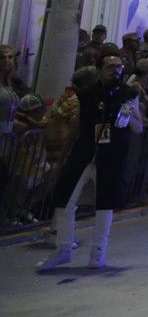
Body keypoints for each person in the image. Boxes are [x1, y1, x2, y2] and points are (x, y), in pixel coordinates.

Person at [37, 55, 136, 271]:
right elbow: (77, 125)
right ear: (100, 69)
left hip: (111, 155)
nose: (116, 70)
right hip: (85, 152)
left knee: (105, 204)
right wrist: (63, 156)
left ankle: (97, 252)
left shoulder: (128, 94)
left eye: (119, 66)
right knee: (65, 200)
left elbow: (138, 127)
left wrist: (132, 113)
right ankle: (63, 249)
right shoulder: (87, 95)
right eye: (110, 66)